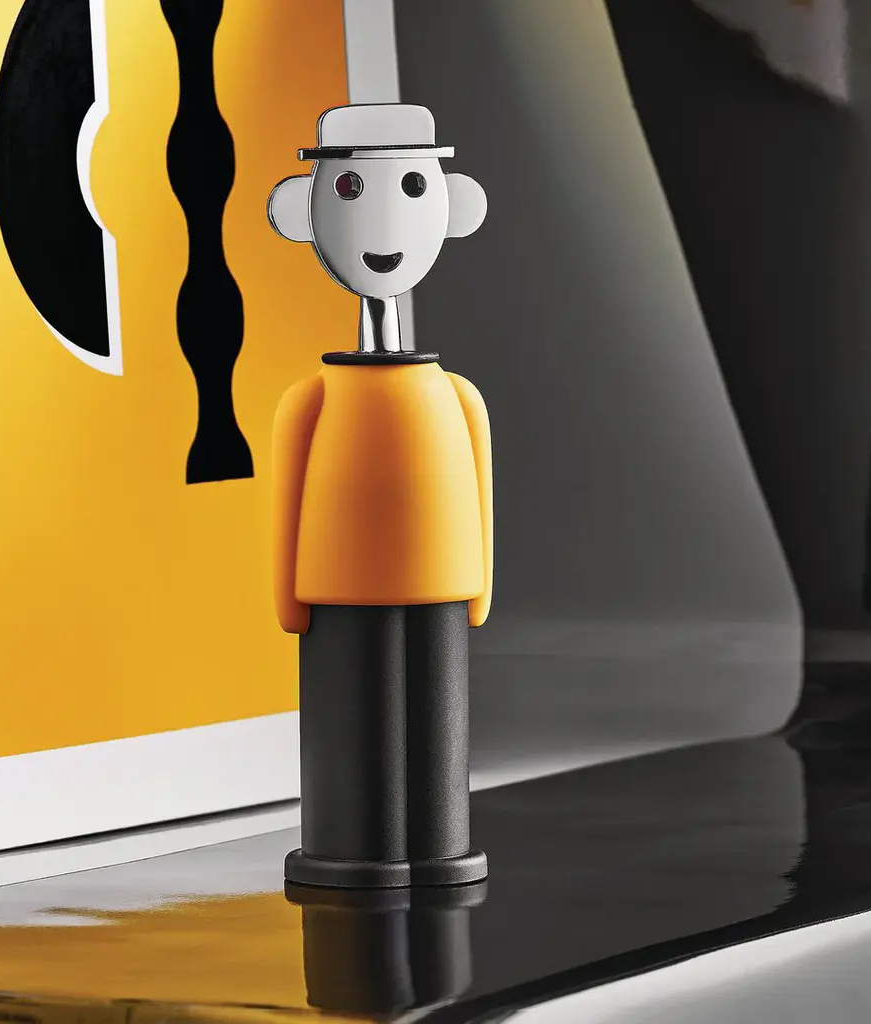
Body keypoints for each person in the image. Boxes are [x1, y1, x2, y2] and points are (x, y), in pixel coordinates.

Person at [268, 103, 491, 888]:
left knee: (435, 725)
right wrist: (290, 599)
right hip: (338, 591)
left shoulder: (453, 394)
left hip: (440, 583)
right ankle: (351, 849)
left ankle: (436, 848)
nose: (384, 220)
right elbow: (288, 491)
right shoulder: (316, 398)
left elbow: (479, 478)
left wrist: (479, 587)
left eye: (412, 187)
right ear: (304, 210)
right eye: (351, 188)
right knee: (350, 724)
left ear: (452, 203)